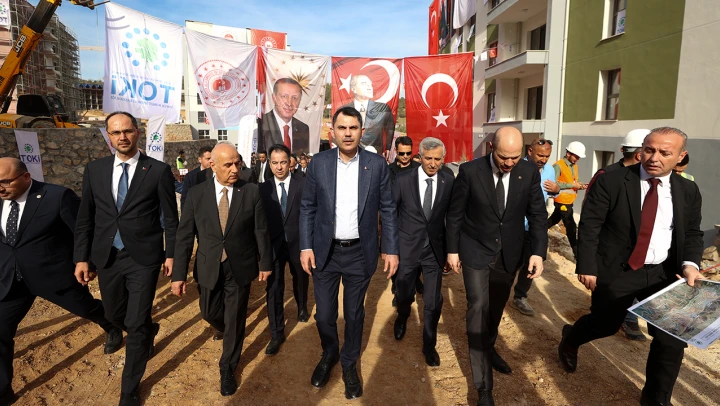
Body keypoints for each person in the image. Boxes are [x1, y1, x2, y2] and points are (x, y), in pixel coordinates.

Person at [558, 127, 704, 406]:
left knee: (671, 339)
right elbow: (590, 225)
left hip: (663, 274)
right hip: (618, 271)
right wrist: (587, 265)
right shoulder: (612, 180)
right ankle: (571, 338)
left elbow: (693, 232)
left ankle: (655, 399)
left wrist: (690, 264)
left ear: (680, 156)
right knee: (605, 324)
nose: (654, 158)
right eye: (649, 150)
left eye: (665, 153)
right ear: (641, 150)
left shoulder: (688, 190)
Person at [74, 111, 178, 406]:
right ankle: (148, 330)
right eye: (116, 132)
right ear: (108, 135)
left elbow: (171, 219)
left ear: (137, 133)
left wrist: (172, 254)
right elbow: (86, 217)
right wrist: (81, 258)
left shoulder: (157, 170)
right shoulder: (95, 170)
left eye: (127, 131)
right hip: (107, 256)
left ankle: (129, 388)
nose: (122, 137)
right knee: (113, 315)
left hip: (143, 257)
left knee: (135, 320)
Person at [0, 158, 120, 405]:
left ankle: (112, 326)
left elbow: (82, 231)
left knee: (86, 308)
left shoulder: (57, 196)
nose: (0, 188)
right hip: (11, 280)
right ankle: (2, 392)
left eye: (5, 181)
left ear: (26, 177)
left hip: (52, 275)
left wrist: (87, 262)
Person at [300, 106, 399, 400]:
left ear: (361, 131)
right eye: (342, 128)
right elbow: (308, 207)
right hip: (325, 252)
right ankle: (329, 352)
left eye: (353, 128)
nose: (347, 133)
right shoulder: (318, 163)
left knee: (354, 314)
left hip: (359, 252)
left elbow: (388, 209)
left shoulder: (376, 165)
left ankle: (349, 363)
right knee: (324, 315)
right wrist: (306, 246)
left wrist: (390, 249)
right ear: (332, 132)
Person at [446, 127, 547, 406]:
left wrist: (538, 253)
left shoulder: (528, 172)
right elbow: (455, 214)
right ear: (491, 147)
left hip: (509, 254)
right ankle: (483, 387)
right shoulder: (470, 171)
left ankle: (488, 347)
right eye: (504, 157)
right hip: (475, 249)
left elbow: (537, 215)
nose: (509, 163)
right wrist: (452, 250)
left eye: (515, 157)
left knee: (496, 307)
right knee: (478, 306)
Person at [172, 142, 273, 397]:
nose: (235, 169)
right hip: (208, 265)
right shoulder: (196, 194)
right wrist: (179, 275)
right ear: (212, 165)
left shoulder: (250, 191)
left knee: (235, 318)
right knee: (209, 312)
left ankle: (227, 367)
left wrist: (265, 262)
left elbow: (260, 230)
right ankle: (226, 328)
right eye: (228, 165)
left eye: (237, 163)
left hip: (240, 265)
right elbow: (184, 237)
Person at [392, 137, 454, 367]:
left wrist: (451, 250)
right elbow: (390, 213)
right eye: (428, 158)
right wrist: (390, 249)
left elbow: (452, 217)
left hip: (434, 251)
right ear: (419, 157)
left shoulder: (448, 180)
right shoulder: (403, 180)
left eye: (438, 159)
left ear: (443, 159)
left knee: (432, 301)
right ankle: (402, 316)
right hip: (407, 248)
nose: (433, 163)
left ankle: (429, 345)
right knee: (404, 293)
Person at [584, 129, 649, 341]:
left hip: (641, 258)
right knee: (602, 318)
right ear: (639, 155)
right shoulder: (607, 177)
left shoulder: (652, 181)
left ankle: (629, 318)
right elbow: (590, 219)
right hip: (611, 256)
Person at [259, 144, 310, 355]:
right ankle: (276, 333)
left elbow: (310, 214)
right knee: (274, 288)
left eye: (282, 162)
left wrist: (309, 244)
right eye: (275, 163)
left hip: (298, 244)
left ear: (290, 162)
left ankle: (302, 305)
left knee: (300, 278)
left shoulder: (303, 184)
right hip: (273, 246)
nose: (279, 167)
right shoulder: (263, 189)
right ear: (269, 164)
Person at [510, 138, 559, 317]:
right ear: (530, 151)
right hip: (513, 226)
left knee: (530, 263)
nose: (543, 160)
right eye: (540, 155)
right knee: (510, 262)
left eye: (547, 156)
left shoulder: (549, 170)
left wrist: (557, 189)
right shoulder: (515, 166)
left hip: (534, 227)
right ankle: (498, 292)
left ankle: (520, 297)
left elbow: (551, 193)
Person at [387, 136, 422, 305]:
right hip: (394, 221)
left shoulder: (419, 169)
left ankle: (414, 282)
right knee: (396, 257)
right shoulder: (388, 170)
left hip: (414, 222)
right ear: (396, 151)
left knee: (415, 258)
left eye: (409, 153)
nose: (406, 156)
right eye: (402, 153)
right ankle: (398, 289)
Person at [548, 141, 587, 259]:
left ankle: (534, 231)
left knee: (553, 220)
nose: (578, 159)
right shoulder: (558, 165)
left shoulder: (574, 166)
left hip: (569, 201)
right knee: (571, 227)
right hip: (562, 201)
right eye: (576, 156)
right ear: (568, 153)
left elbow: (573, 181)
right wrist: (572, 185)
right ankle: (577, 255)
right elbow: (554, 183)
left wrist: (579, 185)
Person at [341, 75, 395, 157]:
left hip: (375, 155)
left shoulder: (382, 109)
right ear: (353, 89)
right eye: (364, 84)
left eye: (370, 84)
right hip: (349, 156)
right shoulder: (344, 110)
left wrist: (388, 148)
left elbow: (390, 129)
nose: (369, 87)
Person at [259, 78, 310, 155]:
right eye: (284, 96)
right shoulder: (261, 124)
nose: (289, 103)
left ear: (300, 101)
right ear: (274, 98)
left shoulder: (303, 128)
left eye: (294, 98)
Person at [180, 145, 214, 210]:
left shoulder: (218, 174)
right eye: (208, 159)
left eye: (212, 159)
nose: (211, 161)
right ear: (200, 159)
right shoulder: (191, 176)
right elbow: (185, 198)